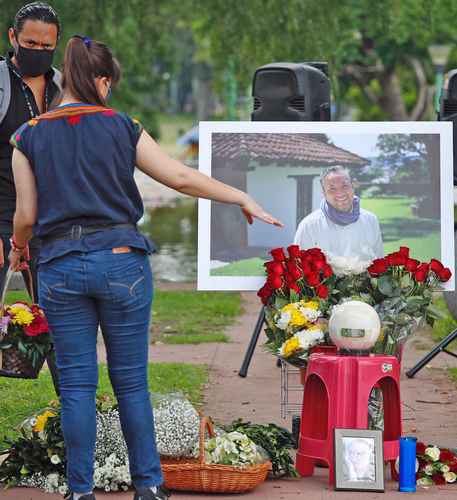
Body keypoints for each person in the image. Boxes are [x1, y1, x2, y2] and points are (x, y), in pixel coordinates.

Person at [8, 36, 282, 500]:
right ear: (101, 81)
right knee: (131, 381)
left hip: (58, 268)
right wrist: (240, 196)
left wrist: (18, 246)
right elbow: (178, 176)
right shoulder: (123, 126)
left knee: (75, 384)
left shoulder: (27, 136)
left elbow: (27, 217)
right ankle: (150, 487)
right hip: (121, 263)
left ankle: (80, 491)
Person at [0, 2, 61, 297]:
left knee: (55, 316)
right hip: (2, 214)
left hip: (51, 219)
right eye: (30, 43)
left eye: (46, 46)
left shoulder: (64, 88)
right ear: (13, 37)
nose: (38, 51)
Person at [294, 166, 383, 261]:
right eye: (332, 189)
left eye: (345, 186)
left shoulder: (371, 220)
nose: (340, 193)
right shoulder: (309, 226)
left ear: (353, 186)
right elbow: (300, 266)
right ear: (324, 193)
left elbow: (379, 261)